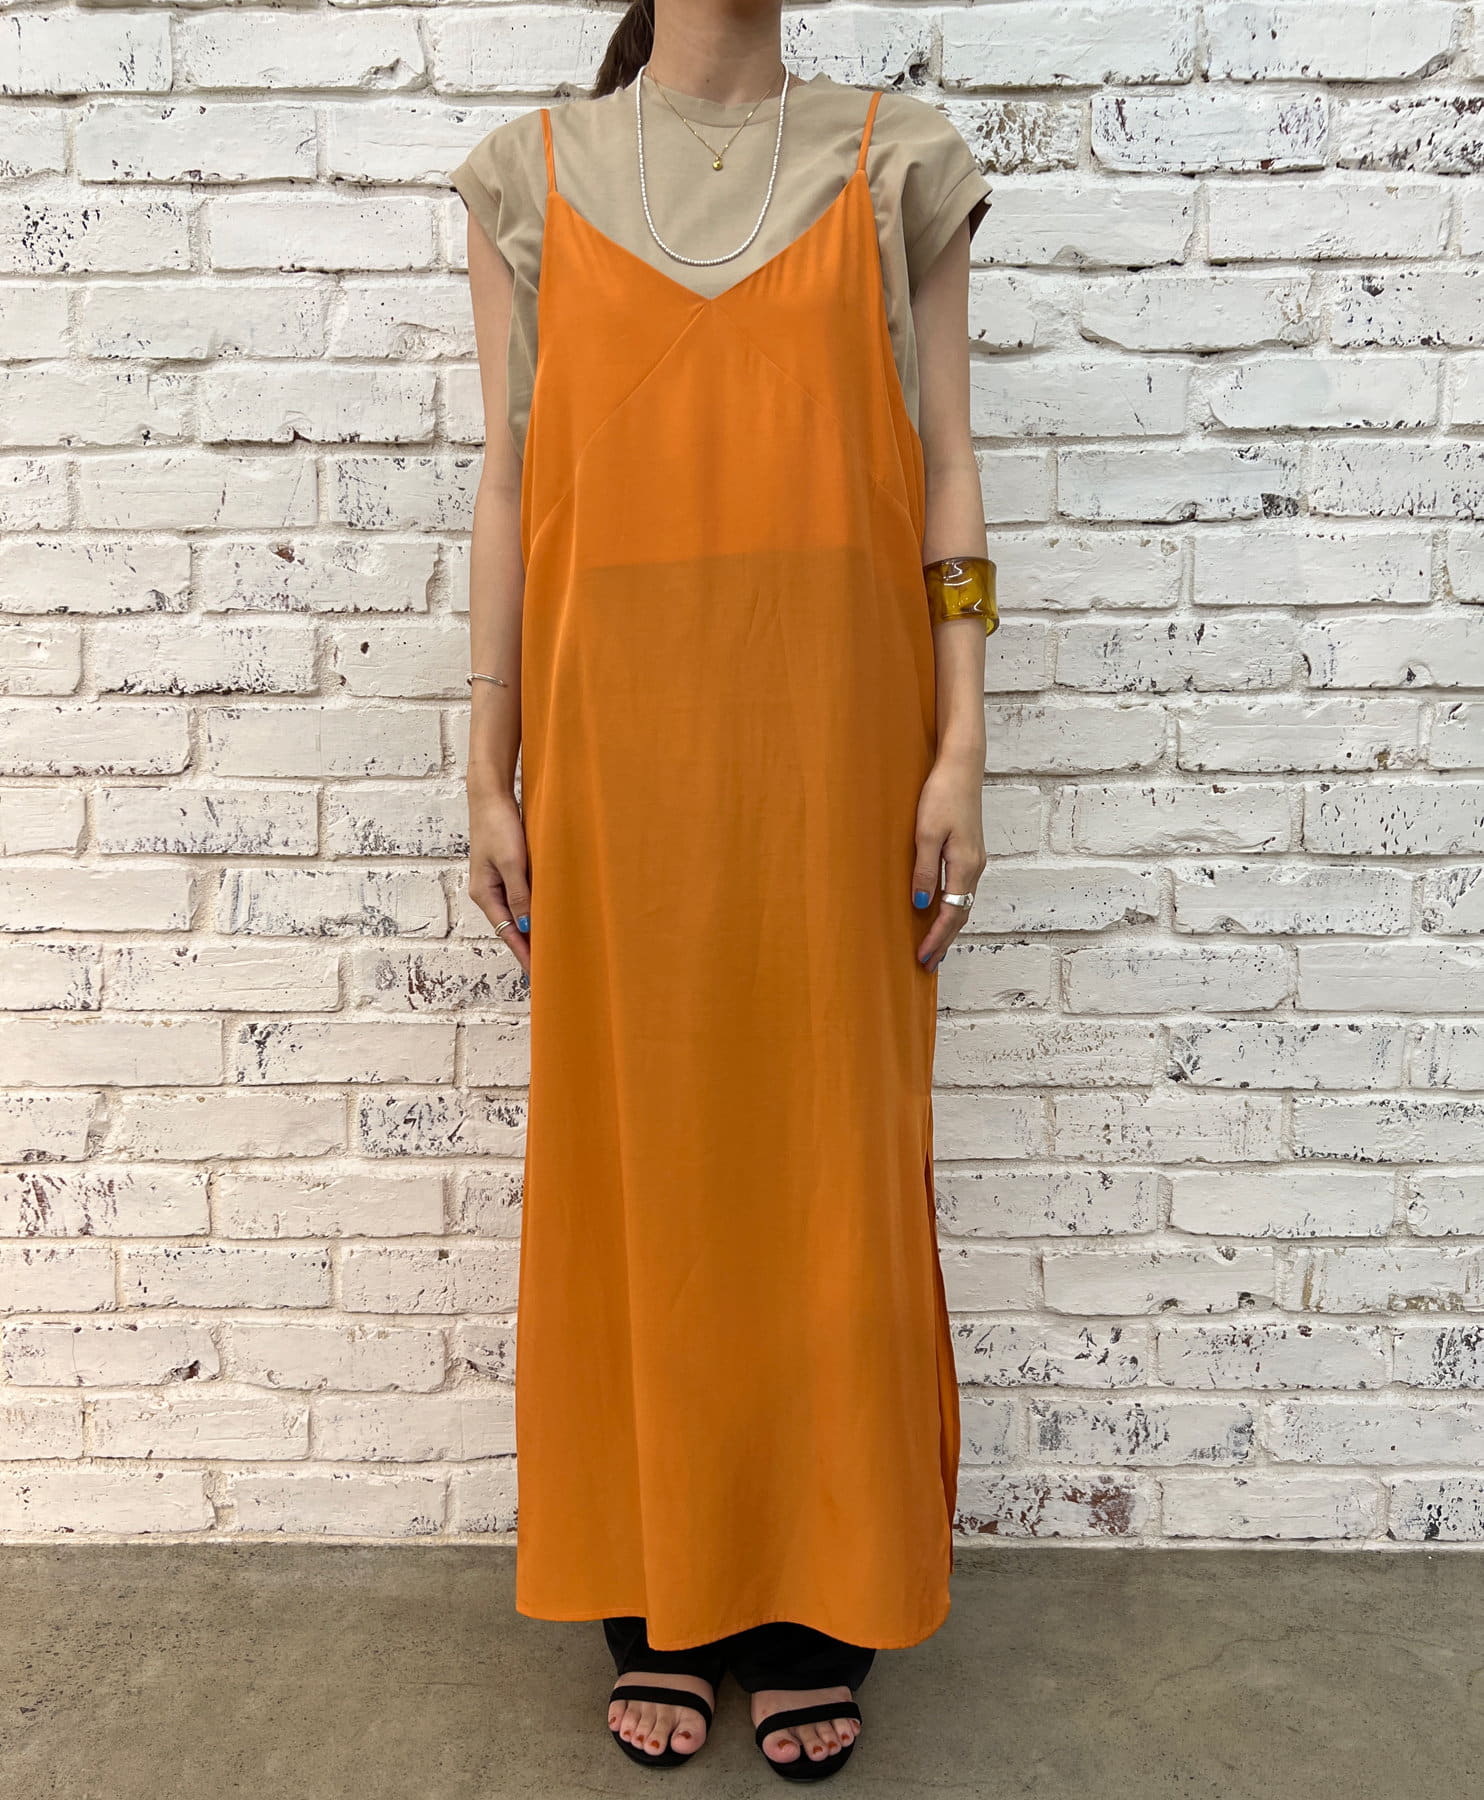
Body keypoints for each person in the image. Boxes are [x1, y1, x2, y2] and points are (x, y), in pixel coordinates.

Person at [449, 0, 997, 1779]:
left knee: (829, 1159)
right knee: (642, 1166)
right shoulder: (527, 176)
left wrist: (964, 742)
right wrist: (486, 759)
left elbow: (951, 462)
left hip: (834, 745)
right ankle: (660, 1593)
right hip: (616, 755)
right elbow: (510, 478)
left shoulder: (895, 164)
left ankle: (822, 1588)